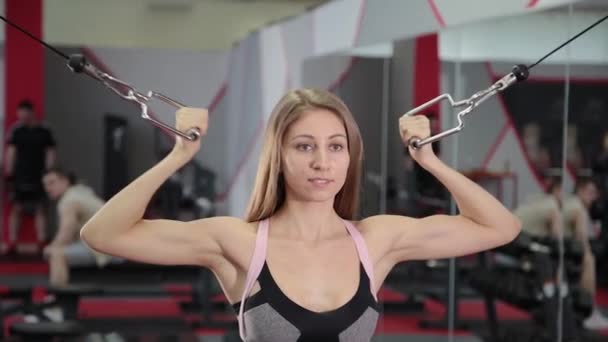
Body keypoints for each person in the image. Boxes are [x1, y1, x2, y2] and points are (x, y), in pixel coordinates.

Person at [81, 89, 521, 341]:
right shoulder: (239, 242)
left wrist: (430, 161)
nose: (322, 163)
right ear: (279, 156)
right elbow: (103, 234)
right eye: (304, 146)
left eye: (336, 146)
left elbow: (501, 227)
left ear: (350, 157)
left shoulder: (376, 241)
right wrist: (180, 154)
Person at [42, 167, 119, 288]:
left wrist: (52, 247)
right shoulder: (81, 192)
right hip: (113, 245)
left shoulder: (69, 201)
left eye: (52, 183)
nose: (48, 188)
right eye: (45, 185)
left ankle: (57, 302)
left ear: (65, 181)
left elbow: (67, 231)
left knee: (56, 254)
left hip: (109, 249)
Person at [3, 100, 56, 255]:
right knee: (16, 208)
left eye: (25, 115)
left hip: (39, 176)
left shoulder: (45, 131)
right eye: (20, 116)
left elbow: (50, 153)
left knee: (40, 208)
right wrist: (9, 174)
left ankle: (41, 242)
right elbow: (10, 153)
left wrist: (50, 172)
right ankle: (12, 243)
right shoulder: (16, 131)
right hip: (19, 176)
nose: (23, 118)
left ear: (32, 113)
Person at [563, 178, 608, 329]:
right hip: (555, 252)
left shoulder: (573, 204)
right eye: (590, 192)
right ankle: (589, 311)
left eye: (595, 193)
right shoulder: (578, 209)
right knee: (589, 260)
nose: (594, 197)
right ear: (580, 191)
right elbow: (582, 241)